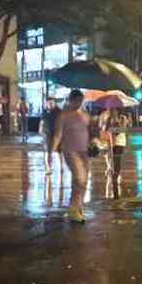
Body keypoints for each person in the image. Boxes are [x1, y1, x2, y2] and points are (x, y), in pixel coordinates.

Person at [51, 90, 91, 222]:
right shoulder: (63, 116)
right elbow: (58, 134)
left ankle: (78, 207)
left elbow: (89, 132)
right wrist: (51, 152)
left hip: (84, 151)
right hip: (70, 151)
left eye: (81, 100)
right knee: (79, 178)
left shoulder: (85, 115)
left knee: (83, 181)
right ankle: (74, 208)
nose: (79, 103)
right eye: (77, 100)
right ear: (71, 100)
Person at [108, 111, 129, 198]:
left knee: (117, 160)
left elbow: (121, 132)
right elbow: (115, 132)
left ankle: (115, 174)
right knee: (116, 161)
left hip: (120, 144)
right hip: (116, 144)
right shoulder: (117, 123)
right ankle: (115, 174)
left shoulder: (121, 123)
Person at [40, 98, 61, 175]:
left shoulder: (59, 111)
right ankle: (48, 168)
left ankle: (61, 168)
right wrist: (40, 130)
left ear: (55, 103)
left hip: (57, 134)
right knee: (47, 152)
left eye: (51, 103)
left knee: (59, 151)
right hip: (47, 134)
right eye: (48, 103)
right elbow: (42, 121)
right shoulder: (44, 111)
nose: (49, 104)